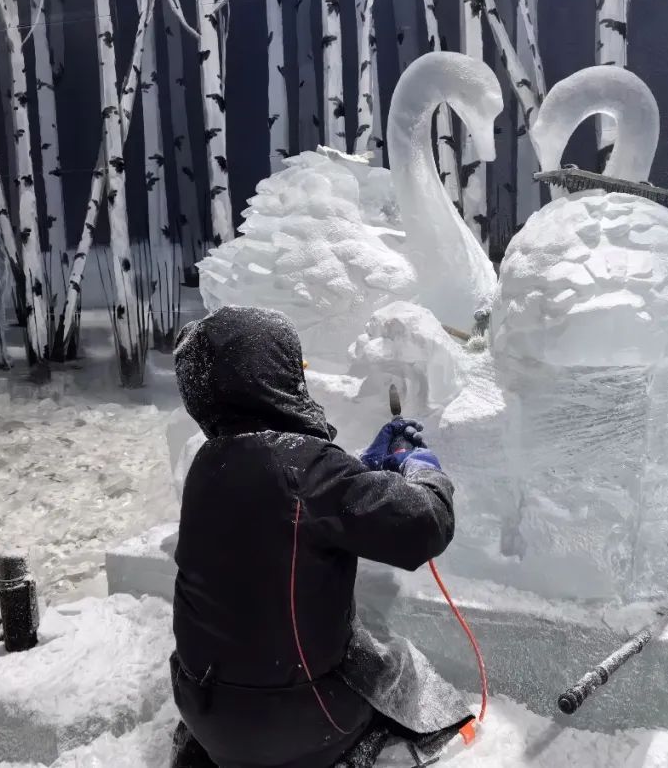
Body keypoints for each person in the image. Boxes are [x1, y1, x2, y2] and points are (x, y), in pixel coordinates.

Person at [169, 306, 471, 768]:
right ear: (270, 376)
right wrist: (420, 468)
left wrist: (359, 469)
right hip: (295, 726)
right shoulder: (309, 470)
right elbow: (425, 524)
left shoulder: (209, 465)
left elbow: (292, 502)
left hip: (205, 713)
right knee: (397, 667)